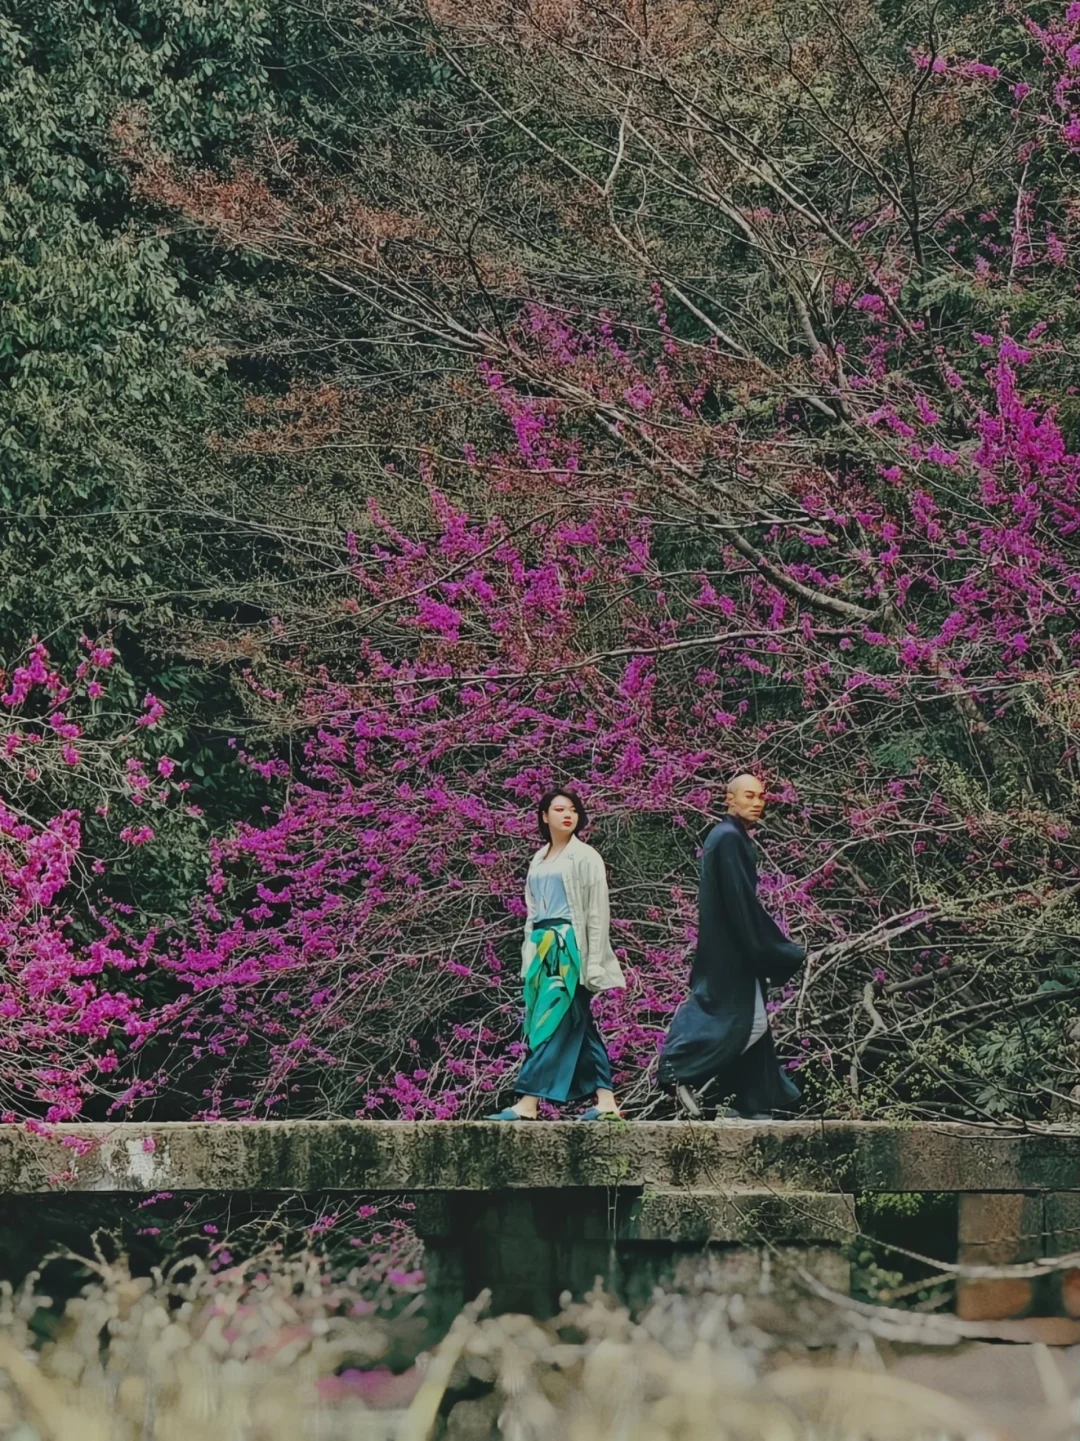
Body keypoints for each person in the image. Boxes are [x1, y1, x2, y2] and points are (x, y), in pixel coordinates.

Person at [657, 774, 806, 1120]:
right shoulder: (727, 838)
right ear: (730, 799)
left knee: (744, 1020)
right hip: (732, 951)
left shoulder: (727, 837)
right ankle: (681, 1068)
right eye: (749, 796)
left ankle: (750, 1104)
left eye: (762, 797)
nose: (757, 803)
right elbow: (742, 903)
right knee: (748, 1022)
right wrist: (779, 949)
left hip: (724, 949)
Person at [487, 789, 625, 1121]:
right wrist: (528, 955)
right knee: (578, 1020)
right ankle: (606, 1101)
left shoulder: (586, 856)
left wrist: (592, 962)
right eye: (559, 809)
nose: (568, 815)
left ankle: (528, 1102)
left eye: (573, 810)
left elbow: (596, 912)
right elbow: (532, 913)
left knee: (548, 1023)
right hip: (543, 946)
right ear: (544, 816)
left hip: (568, 947)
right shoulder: (539, 858)